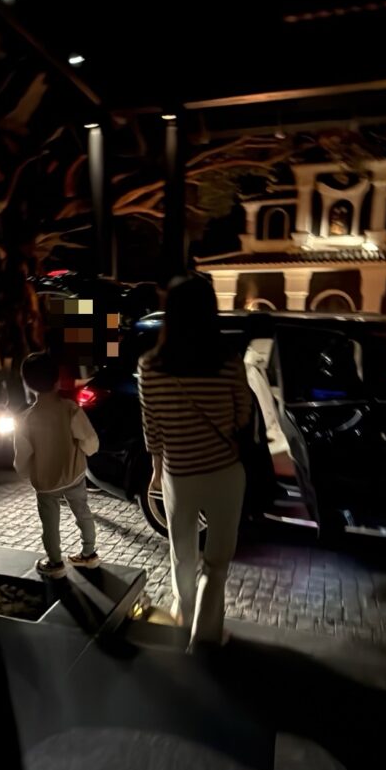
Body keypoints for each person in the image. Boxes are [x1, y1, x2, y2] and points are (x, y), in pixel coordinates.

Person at [138, 276, 253, 648]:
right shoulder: (228, 361)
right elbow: (242, 416)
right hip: (224, 472)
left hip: (179, 473)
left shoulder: (150, 366)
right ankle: (205, 636)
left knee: (181, 554)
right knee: (217, 562)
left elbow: (151, 426)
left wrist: (156, 470)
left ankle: (182, 618)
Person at [14, 353, 100, 578]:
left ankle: (55, 562)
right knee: (83, 512)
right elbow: (89, 441)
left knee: (49, 522)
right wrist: (88, 452)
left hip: (46, 482)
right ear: (57, 380)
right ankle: (89, 553)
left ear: (29, 384)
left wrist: (25, 472)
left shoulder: (25, 419)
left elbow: (22, 456)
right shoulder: (70, 409)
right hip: (74, 474)